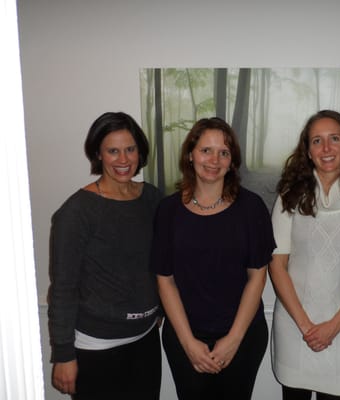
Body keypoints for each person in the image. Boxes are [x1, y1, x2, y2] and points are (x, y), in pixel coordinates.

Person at [151, 117, 276, 400]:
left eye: (224, 152)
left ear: (232, 162)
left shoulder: (251, 208)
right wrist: (188, 343)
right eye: (206, 150)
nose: (214, 159)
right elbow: (165, 280)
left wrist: (233, 340)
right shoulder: (168, 211)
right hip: (185, 338)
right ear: (190, 155)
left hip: (242, 337)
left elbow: (258, 276)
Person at [269, 110, 340, 400]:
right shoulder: (289, 195)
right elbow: (277, 264)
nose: (326, 148)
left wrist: (333, 327)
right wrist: (306, 326)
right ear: (307, 151)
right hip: (294, 326)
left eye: (334, 138)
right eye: (317, 141)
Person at [48, 111, 163, 399]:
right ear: (98, 154)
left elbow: (159, 263)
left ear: (140, 151)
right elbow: (62, 288)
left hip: (146, 340)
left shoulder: (152, 198)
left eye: (130, 149)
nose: (123, 160)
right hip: (97, 348)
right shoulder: (77, 212)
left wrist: (159, 310)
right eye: (113, 151)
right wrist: (63, 355)